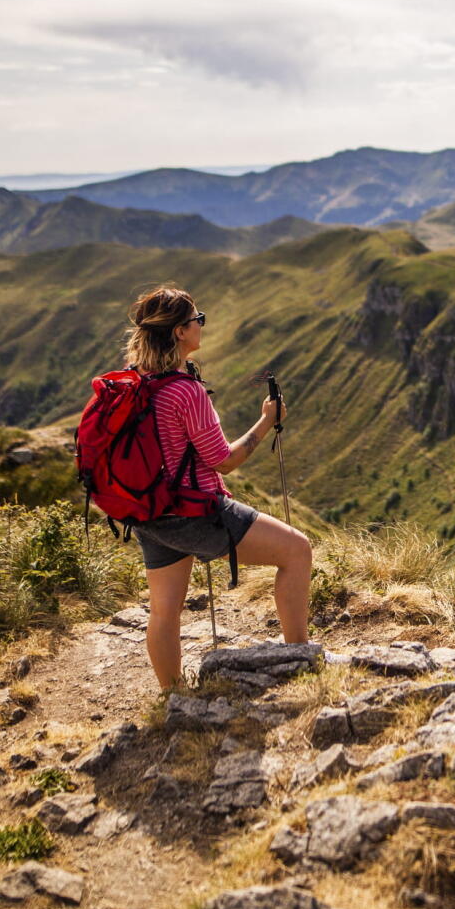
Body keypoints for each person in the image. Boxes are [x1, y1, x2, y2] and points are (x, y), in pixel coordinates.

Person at [120, 285, 312, 692]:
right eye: (197, 320)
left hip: (151, 513)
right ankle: (301, 658)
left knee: (164, 610)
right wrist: (267, 420)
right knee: (297, 551)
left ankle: (173, 698)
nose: (201, 326)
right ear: (179, 332)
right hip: (196, 511)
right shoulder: (186, 391)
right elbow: (223, 460)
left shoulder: (135, 383)